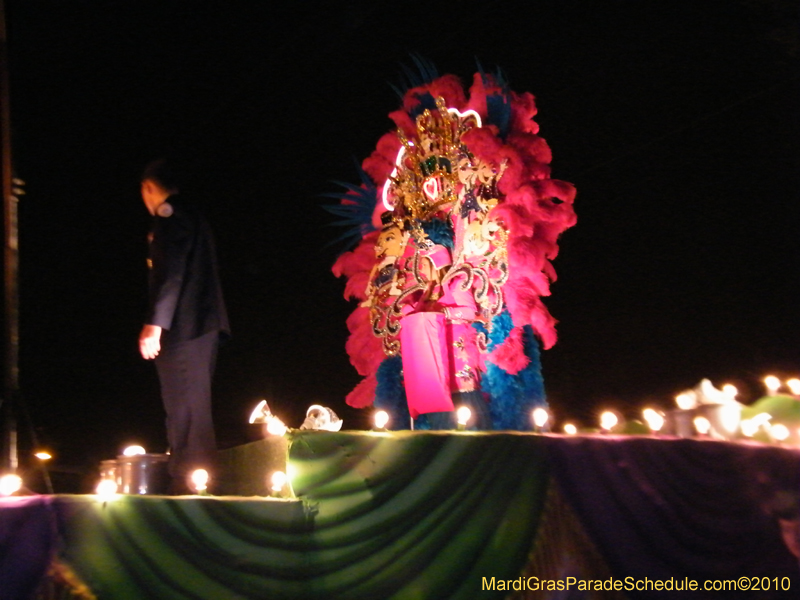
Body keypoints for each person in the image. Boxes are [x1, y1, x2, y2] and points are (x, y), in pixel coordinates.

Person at [138, 160, 230, 493]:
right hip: (198, 326)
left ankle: (193, 485)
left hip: (186, 327)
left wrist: (155, 323)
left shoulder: (170, 214)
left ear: (149, 187)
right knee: (185, 408)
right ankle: (189, 478)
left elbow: (171, 272)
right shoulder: (189, 213)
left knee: (187, 410)